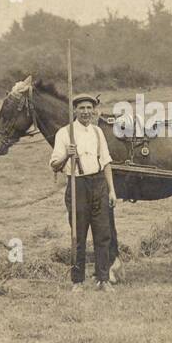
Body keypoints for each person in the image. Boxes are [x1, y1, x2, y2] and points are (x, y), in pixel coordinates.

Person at [49, 92, 119, 291]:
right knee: (78, 236)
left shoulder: (98, 132)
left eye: (89, 108)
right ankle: (77, 281)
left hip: (99, 185)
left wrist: (112, 190)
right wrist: (66, 156)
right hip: (77, 186)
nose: (86, 112)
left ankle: (103, 279)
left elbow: (106, 162)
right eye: (82, 108)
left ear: (94, 110)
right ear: (74, 110)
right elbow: (54, 165)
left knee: (103, 234)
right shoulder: (64, 133)